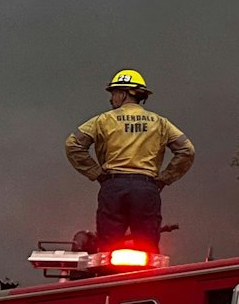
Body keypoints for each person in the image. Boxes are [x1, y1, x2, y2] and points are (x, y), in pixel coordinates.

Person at [64, 69, 195, 253]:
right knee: (148, 253)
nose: (111, 99)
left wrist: (96, 173)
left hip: (113, 189)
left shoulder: (102, 121)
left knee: (107, 253)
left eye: (114, 93)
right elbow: (187, 150)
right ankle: (147, 282)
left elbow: (73, 144)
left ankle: (109, 281)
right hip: (146, 190)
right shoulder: (160, 123)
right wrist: (165, 178)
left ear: (124, 93)